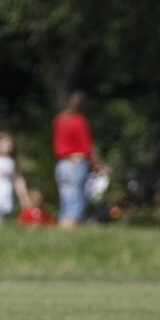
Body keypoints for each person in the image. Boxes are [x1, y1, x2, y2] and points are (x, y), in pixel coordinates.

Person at [52, 90, 104, 228]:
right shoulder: (80, 121)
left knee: (66, 199)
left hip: (62, 164)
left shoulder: (59, 119)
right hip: (76, 164)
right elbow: (88, 147)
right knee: (75, 200)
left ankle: (63, 227)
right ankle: (69, 229)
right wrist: (99, 164)